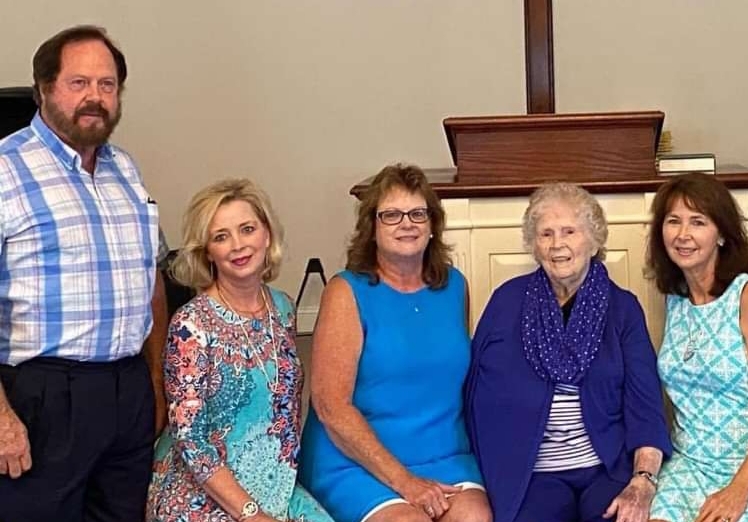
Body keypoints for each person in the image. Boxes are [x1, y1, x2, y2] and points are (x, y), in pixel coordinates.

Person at [0, 25, 164, 522]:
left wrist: (154, 380)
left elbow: (151, 276)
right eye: (79, 83)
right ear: (44, 88)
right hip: (41, 397)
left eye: (107, 84)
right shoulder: (5, 170)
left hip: (127, 390)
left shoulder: (126, 171)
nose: (95, 96)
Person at [466, 182, 672, 522]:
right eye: (545, 234)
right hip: (531, 473)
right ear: (534, 245)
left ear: (594, 240)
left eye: (569, 232)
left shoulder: (622, 308)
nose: (556, 244)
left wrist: (643, 480)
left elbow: (645, 405)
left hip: (606, 467)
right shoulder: (507, 302)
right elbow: (475, 395)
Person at [299, 164, 490, 522]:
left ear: (432, 225)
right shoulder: (345, 291)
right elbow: (331, 407)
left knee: (475, 518)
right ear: (371, 228)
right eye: (391, 215)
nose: (407, 224)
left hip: (443, 453)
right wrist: (405, 482)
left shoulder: (454, 286)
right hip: (356, 460)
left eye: (418, 213)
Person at [146, 179, 331, 522]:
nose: (237, 245)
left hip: (275, 484)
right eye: (221, 236)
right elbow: (190, 440)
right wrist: (251, 514)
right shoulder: (191, 325)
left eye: (247, 229)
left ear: (267, 235)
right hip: (201, 493)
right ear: (207, 251)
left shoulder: (284, 309)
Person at [643, 173, 748, 522]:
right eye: (673, 221)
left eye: (698, 222)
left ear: (722, 234)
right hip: (689, 464)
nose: (683, 234)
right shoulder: (675, 299)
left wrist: (739, 489)